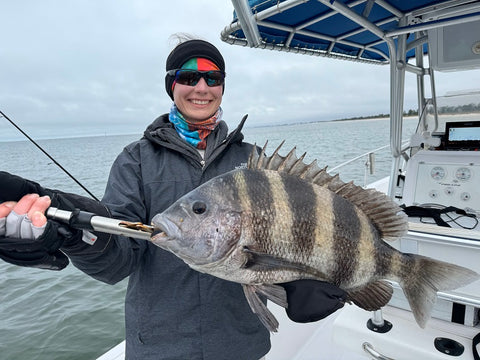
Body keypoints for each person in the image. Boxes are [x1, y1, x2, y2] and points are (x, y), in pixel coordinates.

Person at [0, 36, 347, 360]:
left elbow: (297, 238)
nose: (201, 88)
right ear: (172, 85)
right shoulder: (135, 160)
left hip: (241, 343)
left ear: (222, 87)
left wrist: (304, 281)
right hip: (159, 347)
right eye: (189, 76)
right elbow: (118, 261)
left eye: (213, 79)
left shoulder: (255, 164)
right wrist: (73, 235)